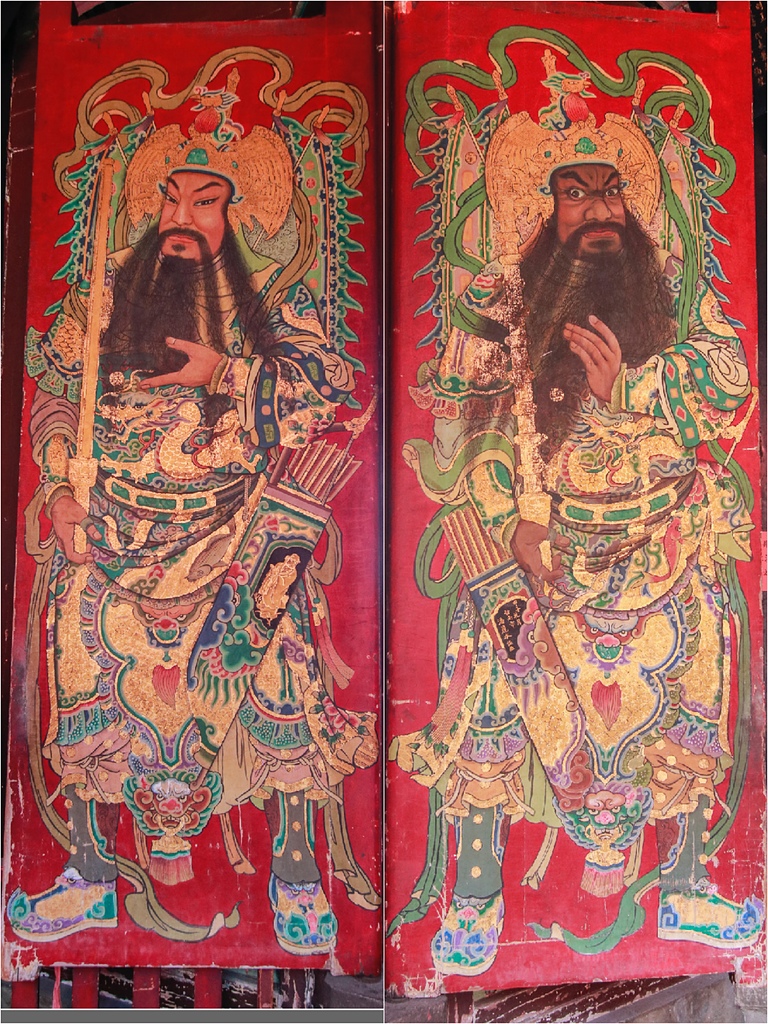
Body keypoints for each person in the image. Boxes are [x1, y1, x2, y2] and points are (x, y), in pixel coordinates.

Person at [395, 94, 761, 975]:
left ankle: (685, 879)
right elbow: (457, 412)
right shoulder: (511, 304)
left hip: (658, 538)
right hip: (545, 546)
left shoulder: (671, 294)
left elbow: (728, 376)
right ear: (546, 208)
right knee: (491, 661)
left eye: (611, 191)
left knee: (697, 659)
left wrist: (629, 388)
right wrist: (513, 518)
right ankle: (475, 893)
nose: (599, 209)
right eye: (575, 192)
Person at [9, 112, 377, 953]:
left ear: (234, 213)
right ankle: (91, 870)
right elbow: (58, 393)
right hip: (113, 527)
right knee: (86, 667)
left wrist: (228, 373)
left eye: (204, 201)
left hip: (229, 527)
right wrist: (61, 487)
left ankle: (295, 869)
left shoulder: (270, 303)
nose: (181, 217)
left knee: (278, 671)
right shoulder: (106, 297)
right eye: (170, 198)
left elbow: (327, 390)